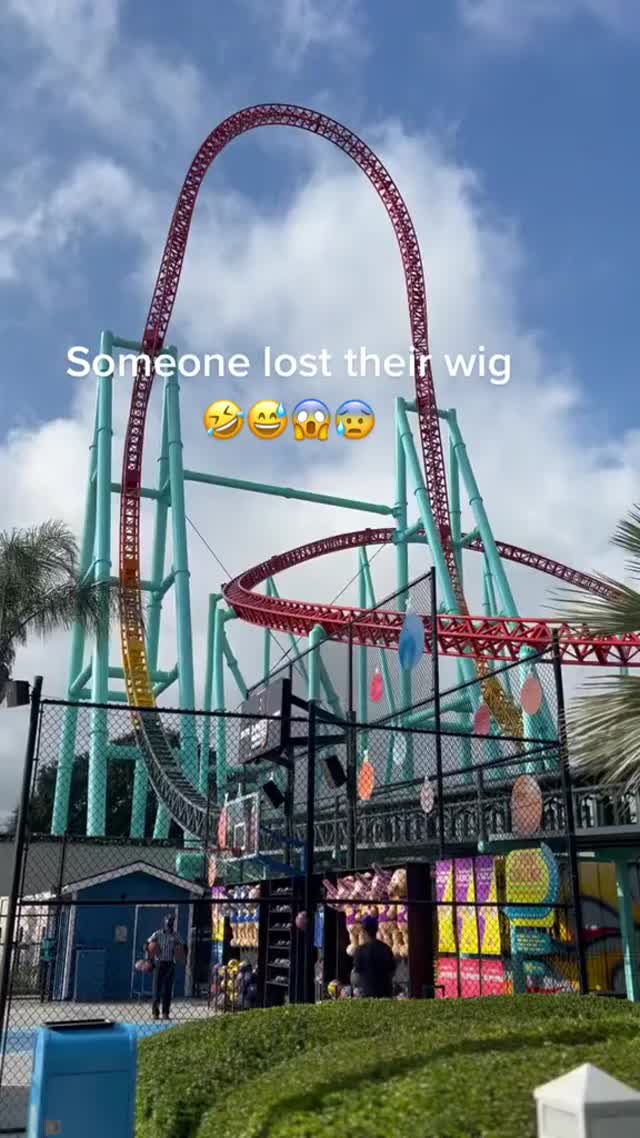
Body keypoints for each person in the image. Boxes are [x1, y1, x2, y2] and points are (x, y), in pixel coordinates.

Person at [147, 914, 187, 1021]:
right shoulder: (157, 934)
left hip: (170, 964)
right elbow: (147, 944)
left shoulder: (176, 935)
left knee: (168, 990)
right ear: (165, 922)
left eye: (171, 922)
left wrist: (183, 957)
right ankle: (155, 1013)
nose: (170, 924)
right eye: (168, 921)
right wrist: (150, 959)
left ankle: (165, 1013)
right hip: (159, 963)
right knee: (157, 989)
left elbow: (184, 946)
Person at [351, 914, 396, 998]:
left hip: (367, 994)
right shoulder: (385, 948)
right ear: (377, 930)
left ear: (364, 932)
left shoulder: (360, 951)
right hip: (386, 994)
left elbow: (356, 976)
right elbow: (392, 971)